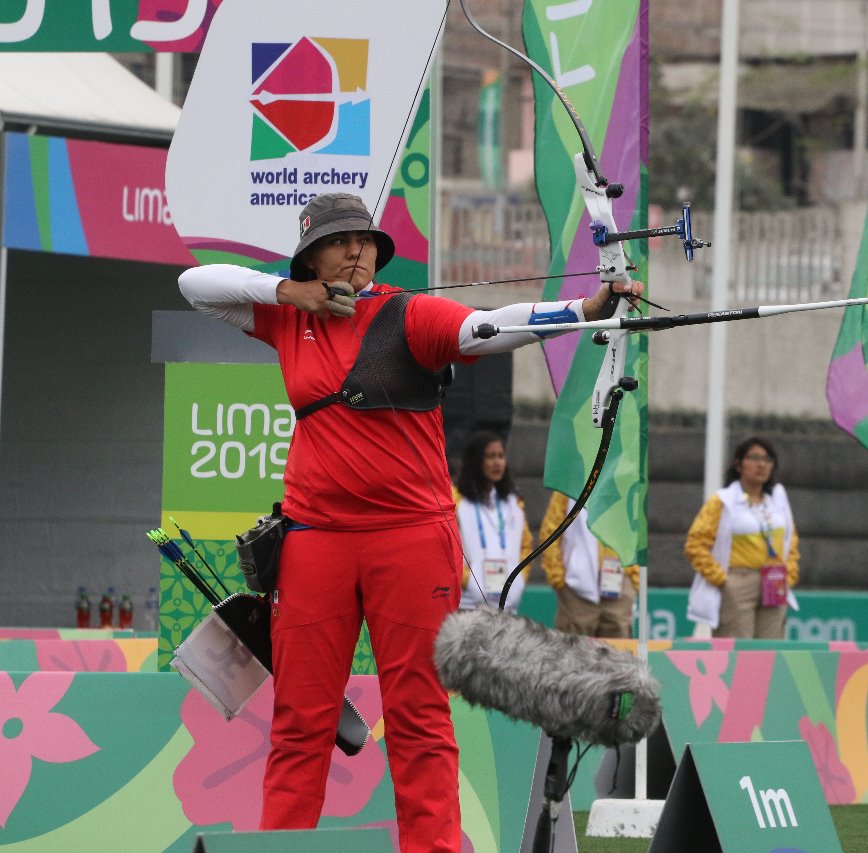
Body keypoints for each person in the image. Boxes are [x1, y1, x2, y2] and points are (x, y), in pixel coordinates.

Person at [177, 192, 641, 853]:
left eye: (365, 240)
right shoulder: (287, 318)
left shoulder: (407, 313)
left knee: (420, 717)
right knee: (300, 722)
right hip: (315, 542)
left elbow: (488, 327)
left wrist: (582, 310)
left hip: (410, 540)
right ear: (312, 255)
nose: (358, 251)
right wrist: (291, 293)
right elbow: (195, 283)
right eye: (341, 242)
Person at [685, 436, 800, 639]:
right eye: (754, 458)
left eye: (767, 459)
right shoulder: (723, 501)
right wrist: (723, 580)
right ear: (739, 465)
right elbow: (696, 544)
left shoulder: (778, 500)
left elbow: (791, 543)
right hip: (739, 579)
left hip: (774, 581)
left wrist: (789, 575)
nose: (761, 465)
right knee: (736, 649)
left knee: (771, 650)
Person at [539, 490, 639, 638]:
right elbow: (551, 531)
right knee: (574, 651)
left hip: (617, 583)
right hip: (576, 588)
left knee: (618, 652)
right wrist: (557, 578)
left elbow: (633, 529)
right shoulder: (568, 485)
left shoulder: (622, 480)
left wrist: (633, 576)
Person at [453, 431, 533, 613]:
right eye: (490, 456)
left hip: (507, 607)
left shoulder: (513, 501)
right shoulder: (456, 499)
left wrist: (519, 580)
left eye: (501, 456)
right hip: (468, 606)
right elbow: (448, 549)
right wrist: (468, 582)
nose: (497, 462)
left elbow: (525, 546)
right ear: (476, 461)